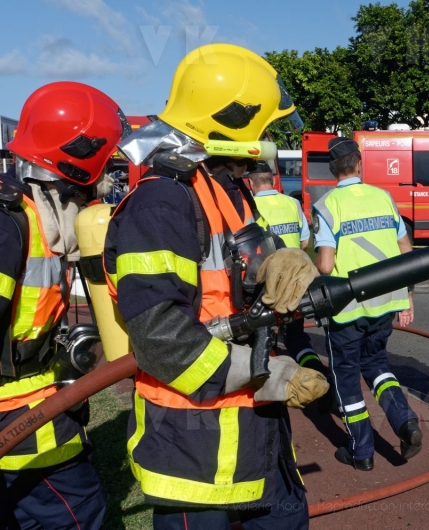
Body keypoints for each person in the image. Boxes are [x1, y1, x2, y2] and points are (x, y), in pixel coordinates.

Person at [104, 43, 328, 529]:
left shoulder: (226, 188)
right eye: (262, 127)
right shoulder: (163, 202)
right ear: (233, 123)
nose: (267, 138)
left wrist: (283, 262)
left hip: (255, 437)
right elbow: (160, 335)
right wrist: (267, 372)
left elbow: (239, 273)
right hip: (196, 454)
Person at [1, 81, 127, 529]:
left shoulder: (34, 222)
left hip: (38, 407)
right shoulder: (12, 226)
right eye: (100, 177)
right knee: (76, 515)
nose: (103, 190)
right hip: (25, 426)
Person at [312, 137, 421, 471]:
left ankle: (362, 452)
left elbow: (326, 266)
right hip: (386, 301)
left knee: (346, 378)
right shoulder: (384, 198)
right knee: (377, 365)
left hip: (348, 309)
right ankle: (404, 420)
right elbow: (407, 253)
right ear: (359, 163)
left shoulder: (327, 205)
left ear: (333, 169)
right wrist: (407, 296)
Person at [250, 165, 333, 408]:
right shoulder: (291, 203)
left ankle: (273, 384)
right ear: (273, 180)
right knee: (296, 335)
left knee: (262, 335)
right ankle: (317, 372)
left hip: (267, 282)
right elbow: (305, 239)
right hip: (297, 281)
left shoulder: (251, 206)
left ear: (251, 184)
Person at [251, 165, 310, 250]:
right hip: (294, 261)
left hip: (268, 262)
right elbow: (305, 242)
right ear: (274, 181)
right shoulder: (293, 202)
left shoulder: (250, 206)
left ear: (251, 182)